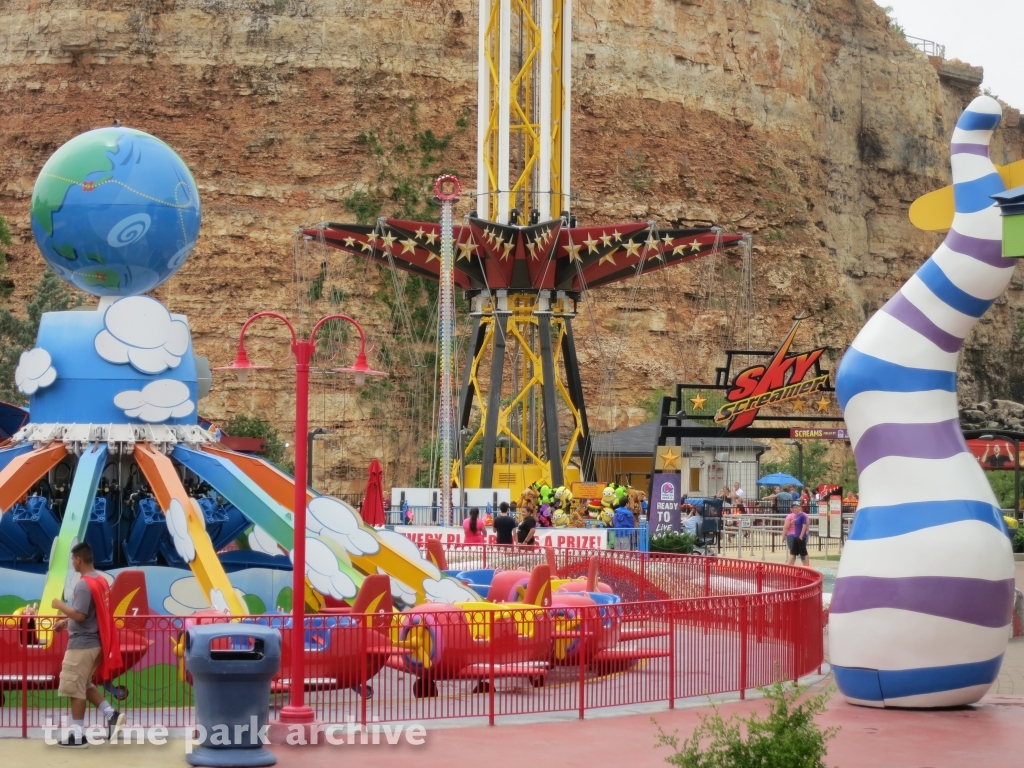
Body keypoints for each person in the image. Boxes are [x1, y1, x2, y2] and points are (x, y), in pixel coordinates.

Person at [52, 542, 123, 747]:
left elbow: (81, 615)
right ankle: (111, 715)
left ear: (79, 560)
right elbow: (91, 612)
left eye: (72, 559)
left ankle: (78, 735)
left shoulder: (83, 584)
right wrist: (66, 622)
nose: (72, 563)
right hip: (96, 642)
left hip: (83, 645)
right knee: (83, 684)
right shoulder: (99, 580)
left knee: (74, 687)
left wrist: (60, 606)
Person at [787, 502, 810, 567]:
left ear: (800, 507)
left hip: (800, 536)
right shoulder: (796, 515)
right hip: (796, 535)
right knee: (793, 552)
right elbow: (795, 523)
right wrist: (793, 522)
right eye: (794, 508)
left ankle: (807, 567)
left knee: (803, 552)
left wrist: (801, 536)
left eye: (796, 507)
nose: (795, 509)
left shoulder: (803, 515)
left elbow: (804, 526)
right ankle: (788, 566)